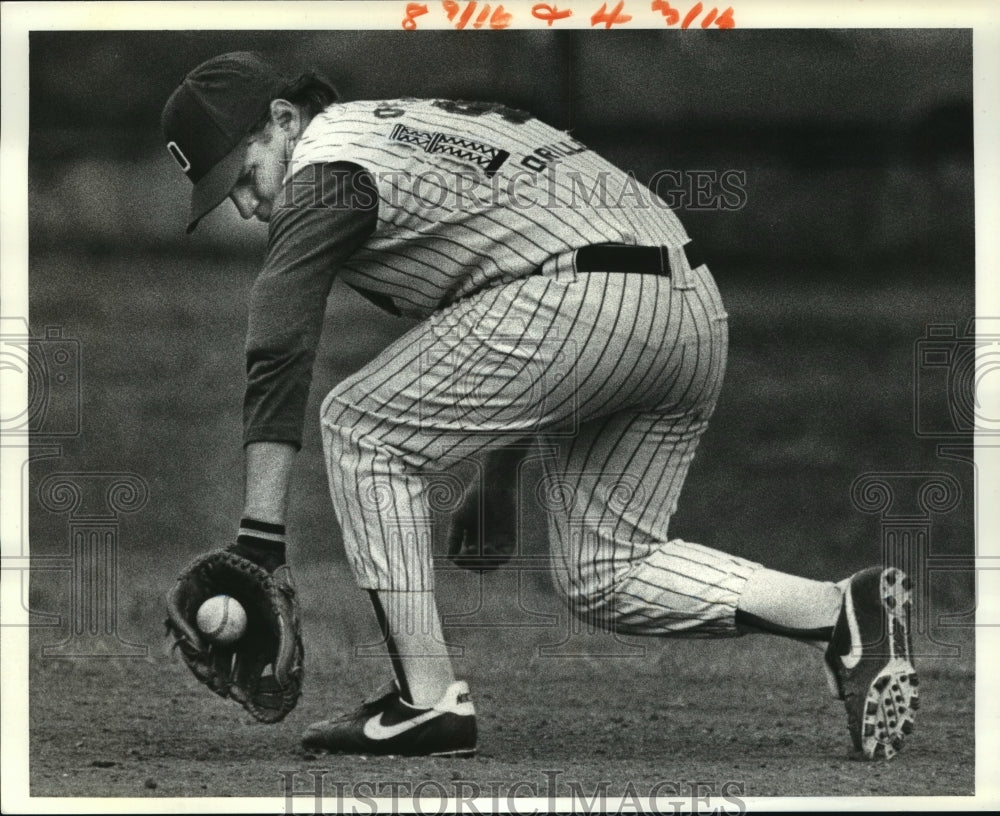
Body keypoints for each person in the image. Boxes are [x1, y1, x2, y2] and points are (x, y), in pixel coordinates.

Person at [161, 51, 918, 761]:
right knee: (605, 571)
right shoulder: (407, 130)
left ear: (286, 119)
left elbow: (279, 335)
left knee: (359, 427)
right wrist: (498, 475)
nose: (246, 202)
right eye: (225, 192)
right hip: (688, 306)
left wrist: (259, 540)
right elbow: (509, 275)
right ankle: (839, 612)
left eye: (244, 170)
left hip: (583, 299)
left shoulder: (328, 164)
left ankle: (426, 701)